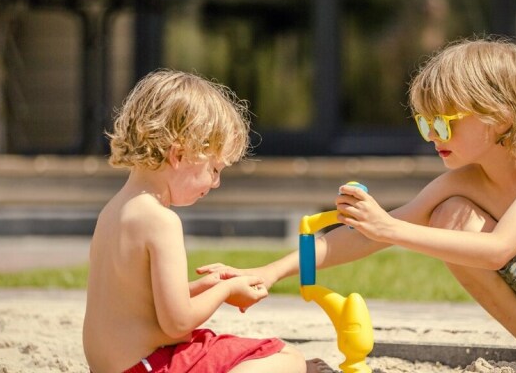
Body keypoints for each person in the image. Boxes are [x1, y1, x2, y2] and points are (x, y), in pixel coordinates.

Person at [199, 38, 516, 368]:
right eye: (424, 122)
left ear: (501, 116)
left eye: (444, 122)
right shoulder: (463, 182)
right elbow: (362, 238)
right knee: (449, 216)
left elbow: (499, 249)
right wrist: (268, 271)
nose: (432, 136)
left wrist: (390, 228)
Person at [83, 69, 331, 373]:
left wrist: (204, 286)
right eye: (214, 168)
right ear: (179, 155)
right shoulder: (162, 222)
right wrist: (225, 292)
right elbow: (177, 324)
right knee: (287, 358)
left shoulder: (113, 211)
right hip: (149, 366)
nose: (215, 183)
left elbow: (138, 303)